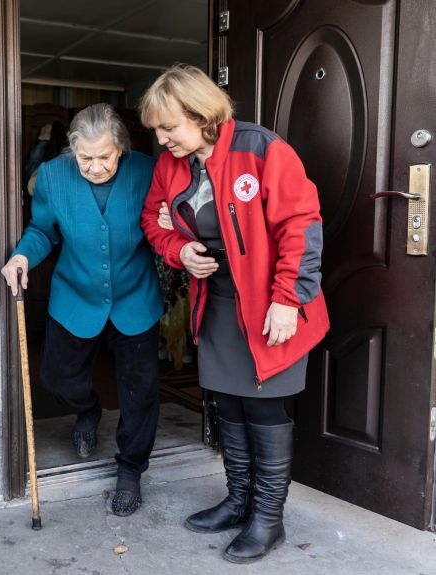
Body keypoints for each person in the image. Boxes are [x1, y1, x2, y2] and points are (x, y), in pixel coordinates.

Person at [139, 65, 329, 563]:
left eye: (169, 127)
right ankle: (239, 500)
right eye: (157, 130)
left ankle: (268, 519)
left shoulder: (261, 149)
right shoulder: (170, 166)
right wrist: (180, 251)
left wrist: (290, 299)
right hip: (218, 301)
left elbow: (300, 226)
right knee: (228, 402)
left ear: (201, 114)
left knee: (264, 408)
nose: (162, 140)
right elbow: (153, 220)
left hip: (271, 304)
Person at [1, 103, 163, 517]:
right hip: (75, 295)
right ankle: (88, 410)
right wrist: (22, 257)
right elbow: (42, 231)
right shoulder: (54, 177)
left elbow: (167, 224)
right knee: (57, 376)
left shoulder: (149, 171)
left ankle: (130, 471)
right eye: (85, 157)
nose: (94, 167)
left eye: (103, 156)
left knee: (138, 393)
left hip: (135, 296)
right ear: (73, 151)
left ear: (121, 149)